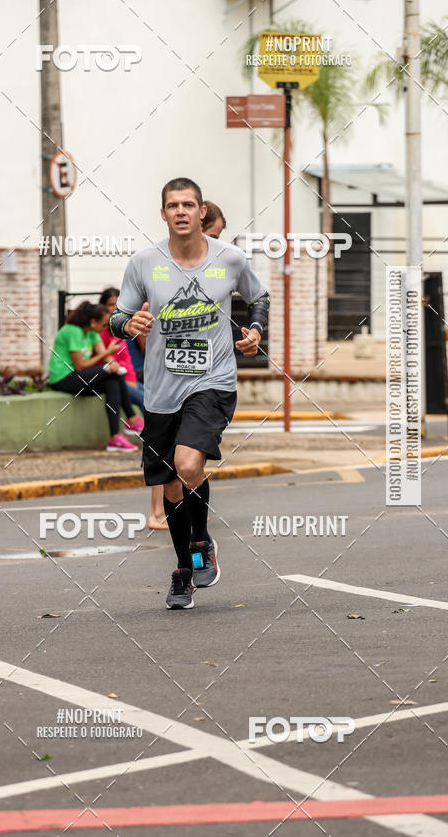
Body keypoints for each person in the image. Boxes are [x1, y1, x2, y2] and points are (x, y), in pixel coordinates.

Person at [109, 177, 269, 609]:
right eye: (172, 205)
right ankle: (185, 568)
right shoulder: (145, 262)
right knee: (171, 485)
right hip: (161, 390)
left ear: (203, 212)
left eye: (189, 204)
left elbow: (259, 298)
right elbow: (117, 316)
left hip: (212, 381)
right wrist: (128, 324)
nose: (181, 211)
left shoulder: (230, 259)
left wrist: (254, 330)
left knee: (187, 463)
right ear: (163, 214)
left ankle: (201, 541)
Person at [101, 286, 168, 531]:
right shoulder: (140, 316)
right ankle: (157, 512)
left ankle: (179, 508)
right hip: (155, 383)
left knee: (185, 451)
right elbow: (141, 346)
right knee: (162, 448)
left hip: (169, 382)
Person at [49, 301, 143, 452]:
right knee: (110, 372)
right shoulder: (72, 331)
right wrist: (109, 357)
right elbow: (80, 365)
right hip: (62, 379)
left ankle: (115, 437)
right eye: (104, 324)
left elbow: (105, 358)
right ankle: (131, 418)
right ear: (93, 322)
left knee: (112, 380)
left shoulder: (92, 333)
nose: (105, 328)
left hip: (78, 378)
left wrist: (116, 366)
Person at [99, 287, 144, 412]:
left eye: (117, 304)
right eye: (110, 304)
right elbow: (103, 356)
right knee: (143, 399)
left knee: (150, 396)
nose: (114, 308)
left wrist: (131, 378)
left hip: (129, 374)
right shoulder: (100, 330)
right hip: (113, 376)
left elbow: (126, 358)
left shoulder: (123, 327)